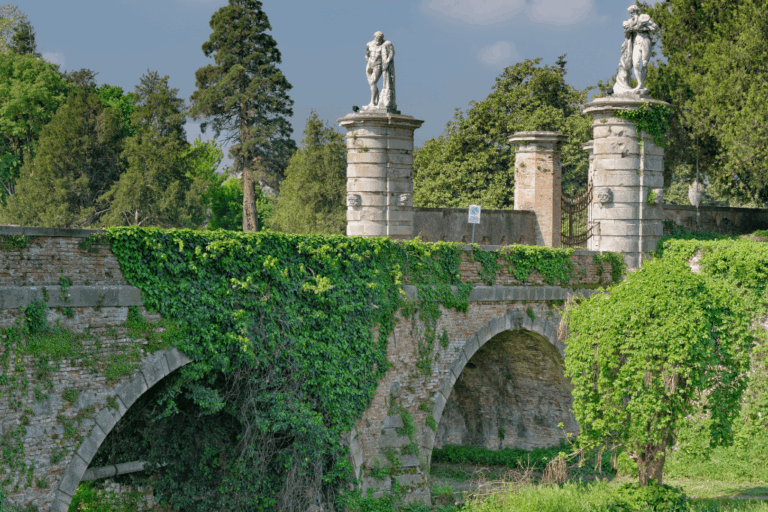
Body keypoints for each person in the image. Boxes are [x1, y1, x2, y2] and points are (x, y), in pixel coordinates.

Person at [364, 32, 396, 111]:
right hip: (369, 65)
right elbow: (366, 54)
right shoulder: (369, 44)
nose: (379, 40)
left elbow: (392, 53)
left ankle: (373, 102)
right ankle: (375, 101)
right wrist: (369, 62)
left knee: (373, 82)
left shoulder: (386, 44)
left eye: (381, 38)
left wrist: (387, 62)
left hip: (378, 65)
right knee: (371, 84)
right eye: (378, 38)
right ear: (374, 37)